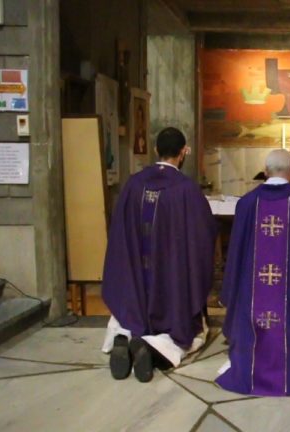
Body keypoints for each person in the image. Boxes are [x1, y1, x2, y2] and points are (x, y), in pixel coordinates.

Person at [217, 150, 290, 396]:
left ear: (265, 171)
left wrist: (230, 291)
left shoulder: (246, 204)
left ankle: (251, 362)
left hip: (251, 306)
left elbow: (235, 255)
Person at [101, 127, 217, 382]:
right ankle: (153, 348)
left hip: (137, 280)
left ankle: (124, 336)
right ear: (183, 153)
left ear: (155, 150)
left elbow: (119, 230)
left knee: (127, 313)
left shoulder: (133, 184)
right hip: (170, 282)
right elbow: (203, 234)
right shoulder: (186, 190)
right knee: (191, 334)